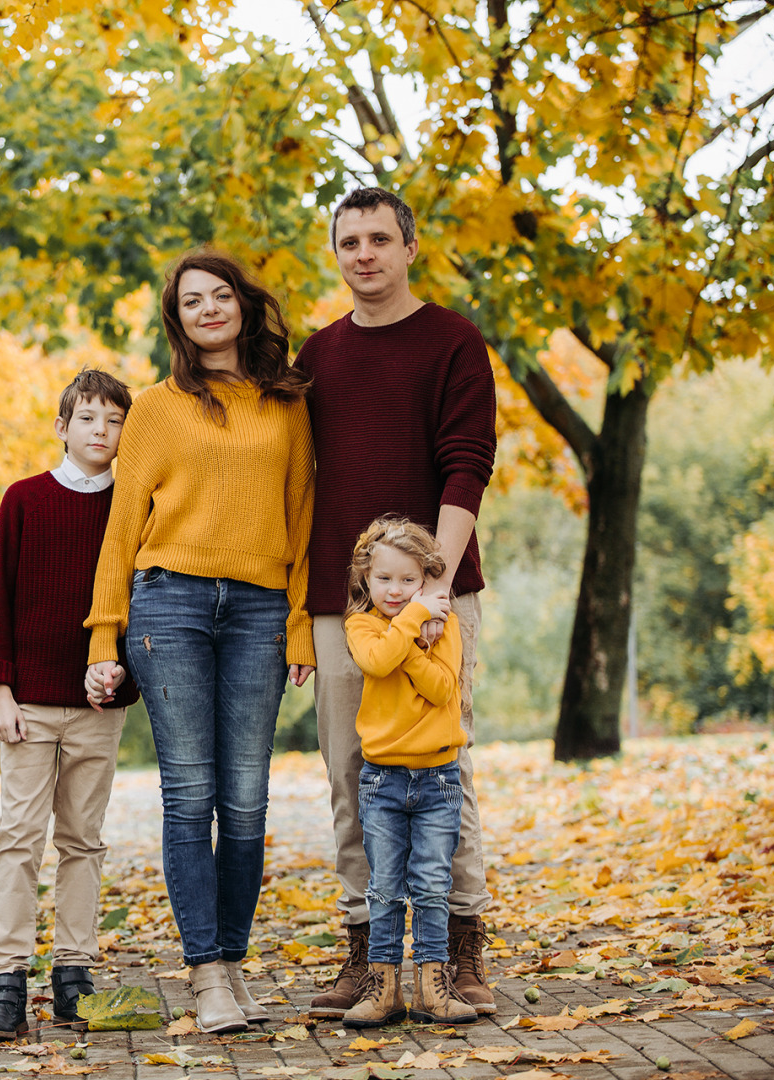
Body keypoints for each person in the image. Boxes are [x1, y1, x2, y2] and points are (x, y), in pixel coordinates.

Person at [84, 250, 315, 1034]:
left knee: (246, 798)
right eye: (193, 301)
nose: (210, 309)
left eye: (222, 296)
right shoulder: (153, 407)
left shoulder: (286, 403)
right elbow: (121, 530)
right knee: (190, 793)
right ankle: (206, 971)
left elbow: (303, 515)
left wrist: (297, 624)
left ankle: (232, 961)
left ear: (243, 307)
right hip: (167, 605)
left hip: (258, 609)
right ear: (177, 320)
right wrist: (102, 639)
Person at [297, 187, 498, 1019]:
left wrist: (437, 586)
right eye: (350, 242)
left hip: (441, 593)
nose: (365, 254)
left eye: (380, 238)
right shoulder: (318, 356)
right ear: (337, 254)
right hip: (342, 607)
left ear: (410, 247)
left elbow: (467, 462)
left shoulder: (453, 341)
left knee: (445, 768)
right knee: (351, 772)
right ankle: (367, 955)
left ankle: (457, 954)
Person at [0, 368, 140, 1040]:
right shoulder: (23, 500)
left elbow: (138, 603)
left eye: (114, 420)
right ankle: (5, 979)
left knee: (82, 842)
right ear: (62, 426)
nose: (101, 431)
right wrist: (1, 691)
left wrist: (123, 677)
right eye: (89, 418)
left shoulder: (132, 508)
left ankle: (74, 972)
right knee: (18, 840)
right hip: (30, 707)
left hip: (98, 707)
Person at [339, 517, 477, 1028]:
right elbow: (376, 662)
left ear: (426, 578)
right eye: (384, 580)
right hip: (383, 780)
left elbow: (443, 689)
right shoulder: (362, 624)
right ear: (365, 580)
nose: (395, 591)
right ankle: (383, 987)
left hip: (439, 779)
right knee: (384, 886)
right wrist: (413, 626)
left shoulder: (446, 624)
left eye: (408, 581)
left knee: (432, 883)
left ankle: (434, 986)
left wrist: (411, 647)